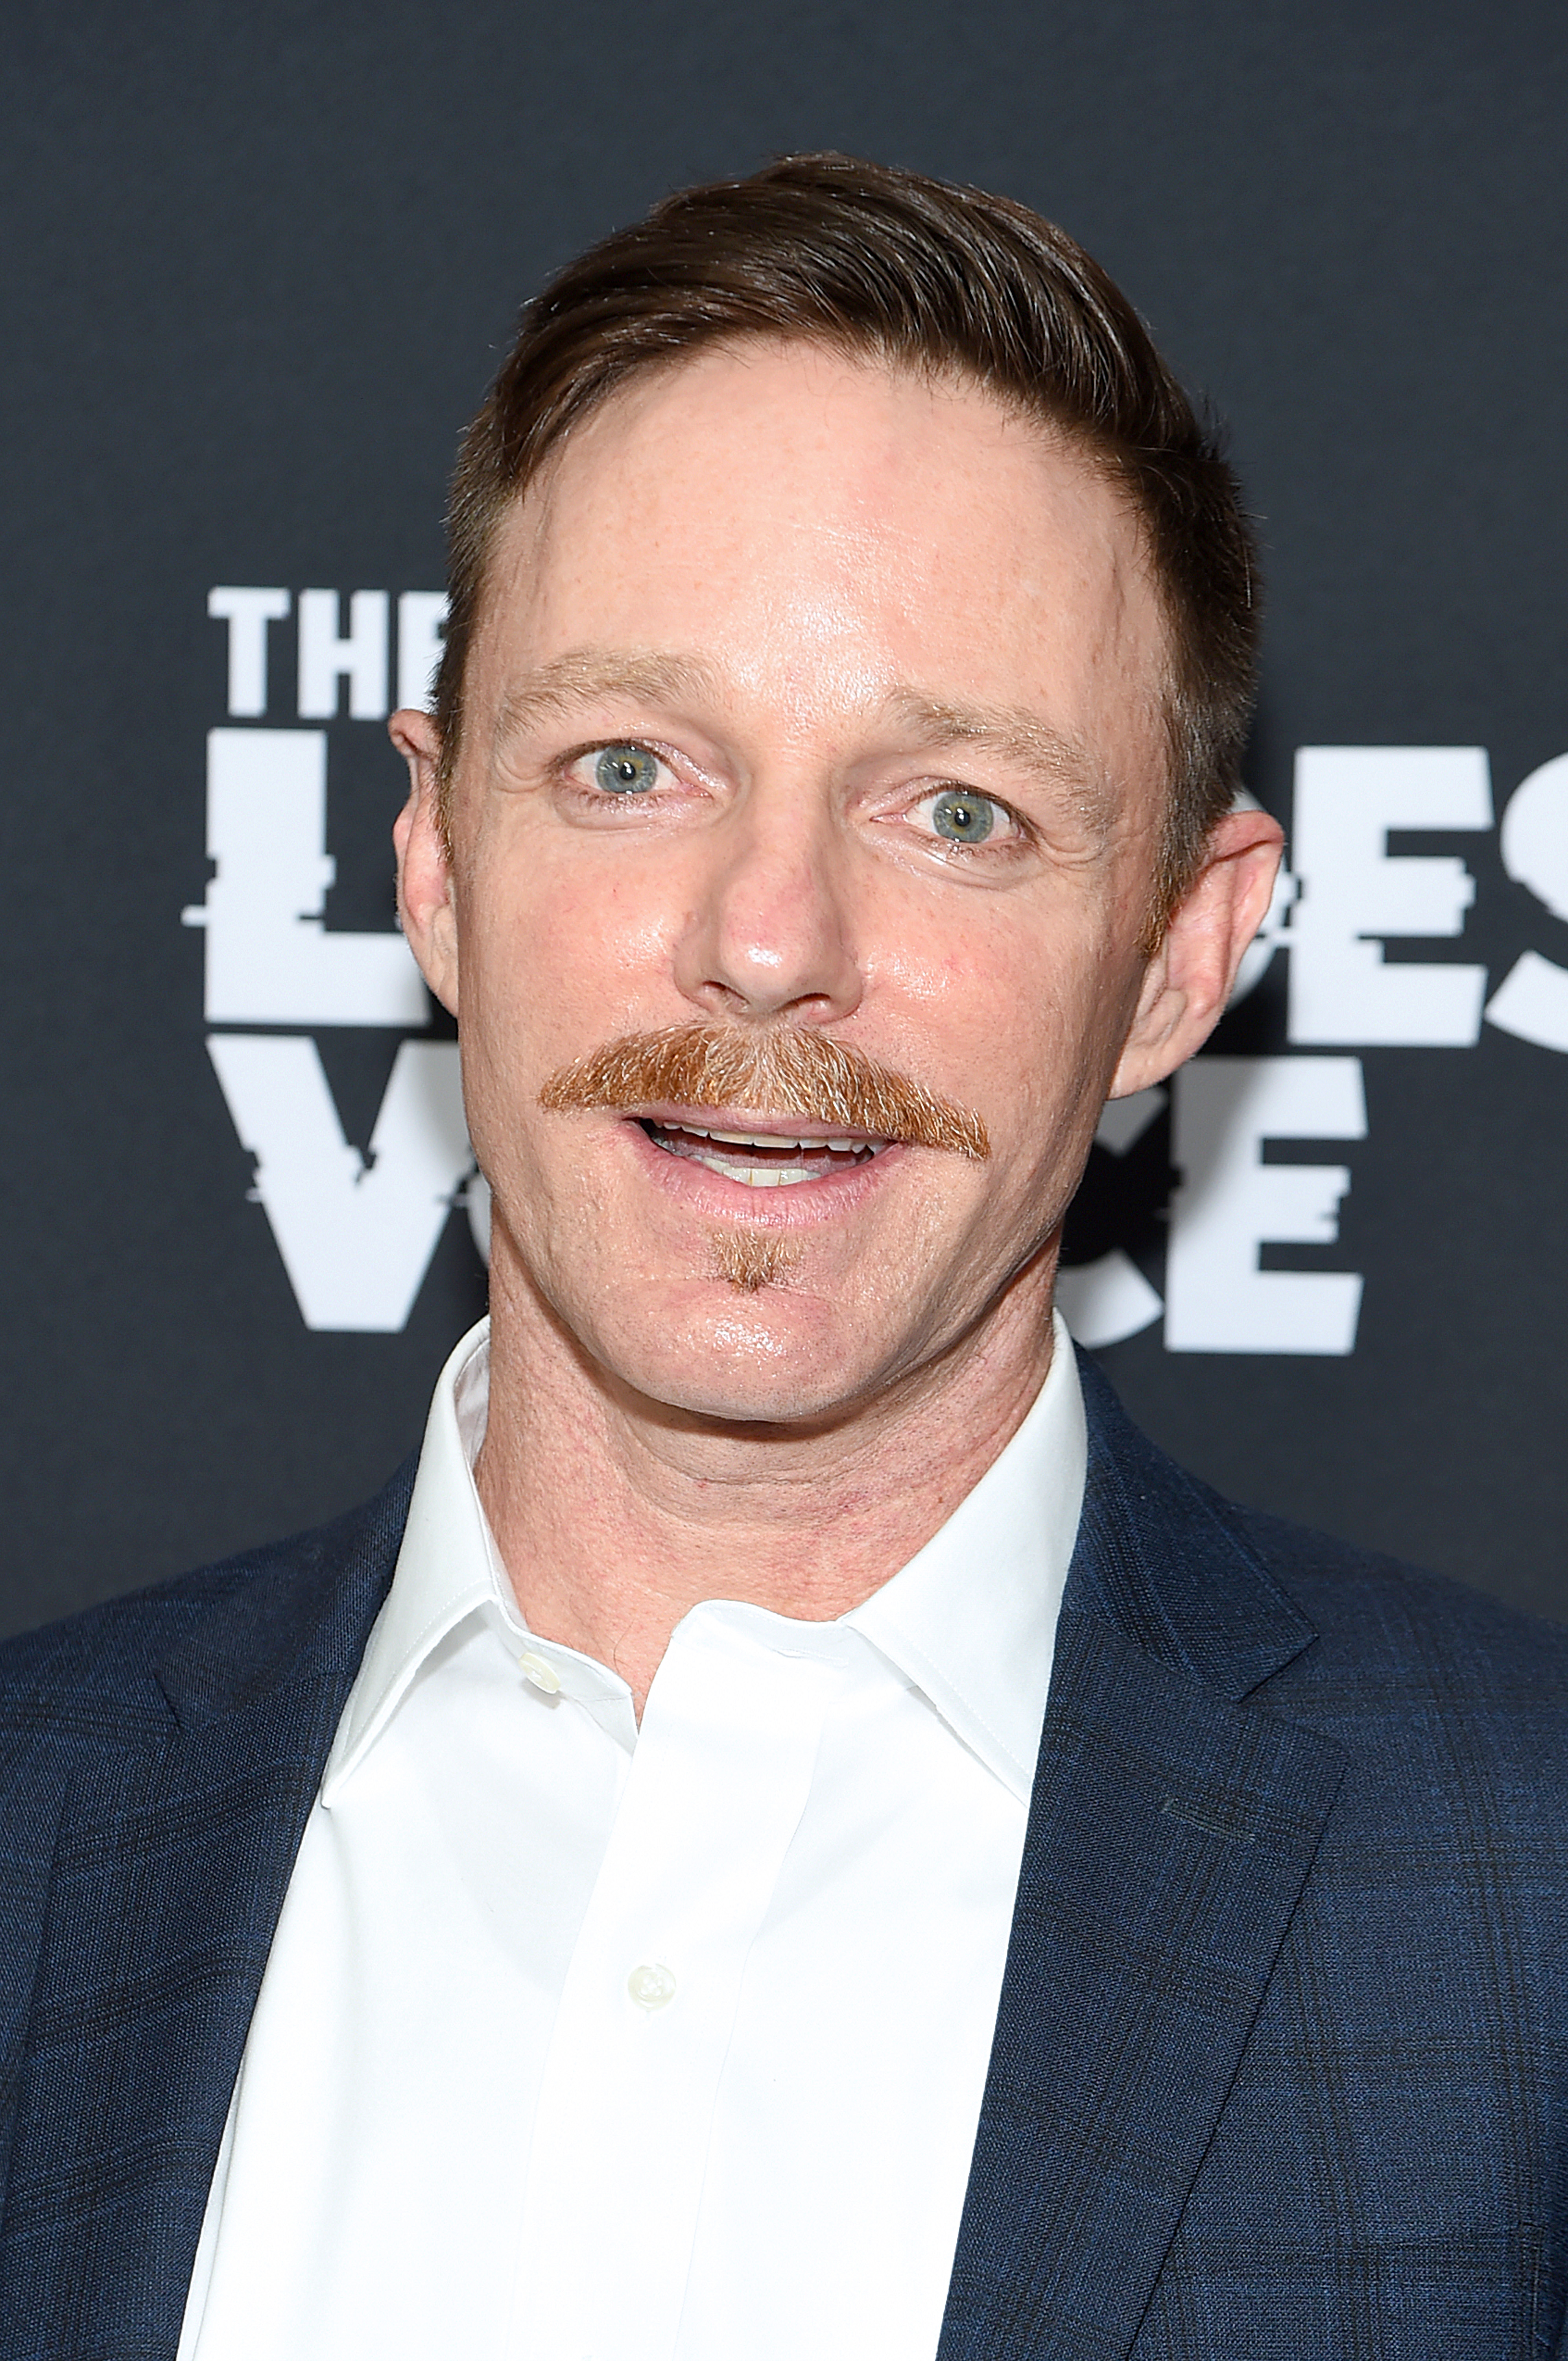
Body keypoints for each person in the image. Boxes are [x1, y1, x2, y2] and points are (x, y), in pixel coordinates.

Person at [1, 154, 1564, 2361]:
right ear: (436, 863)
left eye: (955, 812)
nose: (766, 942)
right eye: (631, 765)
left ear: (1177, 960)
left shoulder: (1520, 1912)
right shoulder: (33, 1839)